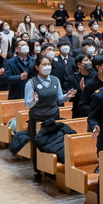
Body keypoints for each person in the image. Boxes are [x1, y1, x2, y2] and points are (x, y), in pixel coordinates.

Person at [25, 55, 77, 185]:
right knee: (38, 145)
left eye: (48, 64)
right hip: (38, 118)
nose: (47, 67)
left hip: (54, 116)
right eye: (44, 64)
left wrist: (67, 97)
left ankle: (49, 170)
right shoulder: (31, 82)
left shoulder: (55, 80)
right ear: (37, 67)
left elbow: (59, 98)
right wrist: (34, 101)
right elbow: (27, 104)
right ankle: (37, 172)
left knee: (54, 143)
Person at [64, 54, 92, 118]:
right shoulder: (71, 79)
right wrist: (80, 90)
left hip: (94, 109)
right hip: (79, 112)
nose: (89, 62)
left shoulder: (95, 75)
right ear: (79, 65)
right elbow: (71, 98)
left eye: (90, 60)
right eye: (86, 60)